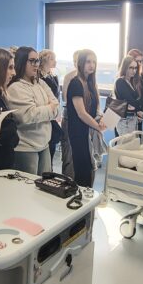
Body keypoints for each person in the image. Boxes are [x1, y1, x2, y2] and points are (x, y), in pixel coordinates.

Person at [7, 47, 59, 176]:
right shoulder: (16, 87)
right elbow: (28, 115)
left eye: (37, 61)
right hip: (26, 147)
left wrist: (45, 110)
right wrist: (50, 108)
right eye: (32, 61)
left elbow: (58, 108)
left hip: (44, 144)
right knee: (27, 187)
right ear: (21, 61)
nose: (36, 64)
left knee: (44, 184)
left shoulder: (40, 82)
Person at [66, 49, 105, 187]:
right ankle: (80, 198)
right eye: (88, 61)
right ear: (81, 63)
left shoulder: (90, 83)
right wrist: (97, 126)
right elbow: (81, 113)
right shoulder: (76, 83)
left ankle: (87, 197)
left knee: (89, 169)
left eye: (94, 62)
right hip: (78, 132)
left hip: (88, 131)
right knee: (82, 171)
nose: (91, 65)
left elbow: (94, 109)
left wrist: (101, 119)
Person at [113, 55, 143, 136]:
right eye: (131, 68)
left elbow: (141, 100)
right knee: (125, 143)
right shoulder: (120, 82)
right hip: (124, 121)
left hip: (132, 119)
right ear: (125, 67)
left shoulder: (133, 82)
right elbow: (131, 101)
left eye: (135, 68)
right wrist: (138, 108)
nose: (134, 70)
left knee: (133, 142)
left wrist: (137, 109)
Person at [38, 49, 63, 163]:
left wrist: (58, 113)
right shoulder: (39, 78)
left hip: (55, 112)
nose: (55, 61)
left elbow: (57, 96)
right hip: (47, 113)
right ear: (44, 61)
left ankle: (50, 166)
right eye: (52, 59)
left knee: (52, 144)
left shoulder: (53, 76)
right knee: (49, 144)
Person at [59, 50, 81, 178]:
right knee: (68, 153)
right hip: (70, 117)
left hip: (83, 120)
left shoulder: (89, 77)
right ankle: (66, 181)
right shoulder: (69, 77)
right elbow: (65, 99)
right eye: (76, 61)